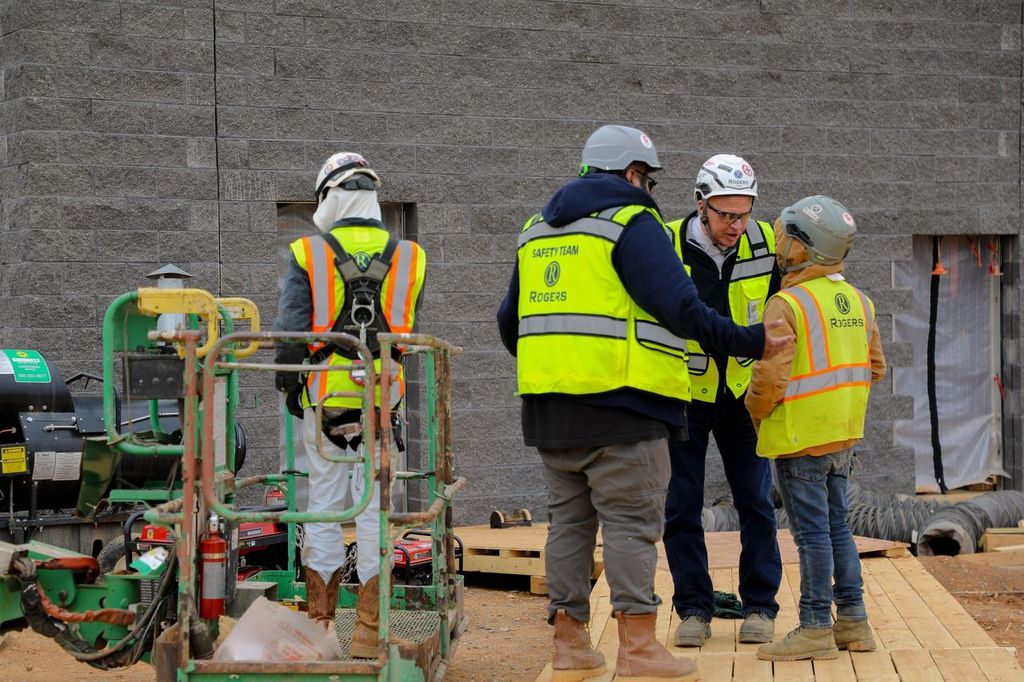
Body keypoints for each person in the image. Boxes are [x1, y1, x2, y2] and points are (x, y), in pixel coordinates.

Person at [496, 125, 793, 681]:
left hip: (549, 411)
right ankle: (637, 647)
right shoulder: (634, 223)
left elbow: (510, 325)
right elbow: (683, 309)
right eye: (647, 179)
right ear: (633, 174)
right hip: (625, 408)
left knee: (568, 526)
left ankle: (570, 645)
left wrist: (560, 366)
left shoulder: (536, 230)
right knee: (634, 524)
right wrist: (751, 340)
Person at [273, 152, 427, 657]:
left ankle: (320, 630)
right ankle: (368, 632)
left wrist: (289, 388)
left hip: (324, 401)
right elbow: (402, 330)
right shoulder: (410, 255)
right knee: (376, 510)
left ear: (328, 197)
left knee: (323, 506)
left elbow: (291, 335)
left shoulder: (306, 253)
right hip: (384, 400)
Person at [744, 195, 886, 661]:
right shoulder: (859, 301)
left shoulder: (787, 304)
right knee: (837, 527)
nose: (778, 242)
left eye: (785, 234)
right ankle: (853, 622)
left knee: (812, 535)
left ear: (806, 248)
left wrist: (755, 411)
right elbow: (876, 367)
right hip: (843, 434)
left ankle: (813, 628)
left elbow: (769, 379)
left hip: (801, 437)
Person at [662, 155, 783, 647]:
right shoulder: (664, 244)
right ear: (700, 204)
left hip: (741, 390)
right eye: (725, 214)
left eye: (744, 213)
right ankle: (693, 609)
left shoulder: (767, 243)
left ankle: (760, 606)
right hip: (685, 392)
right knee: (681, 506)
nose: (736, 225)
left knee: (755, 499)